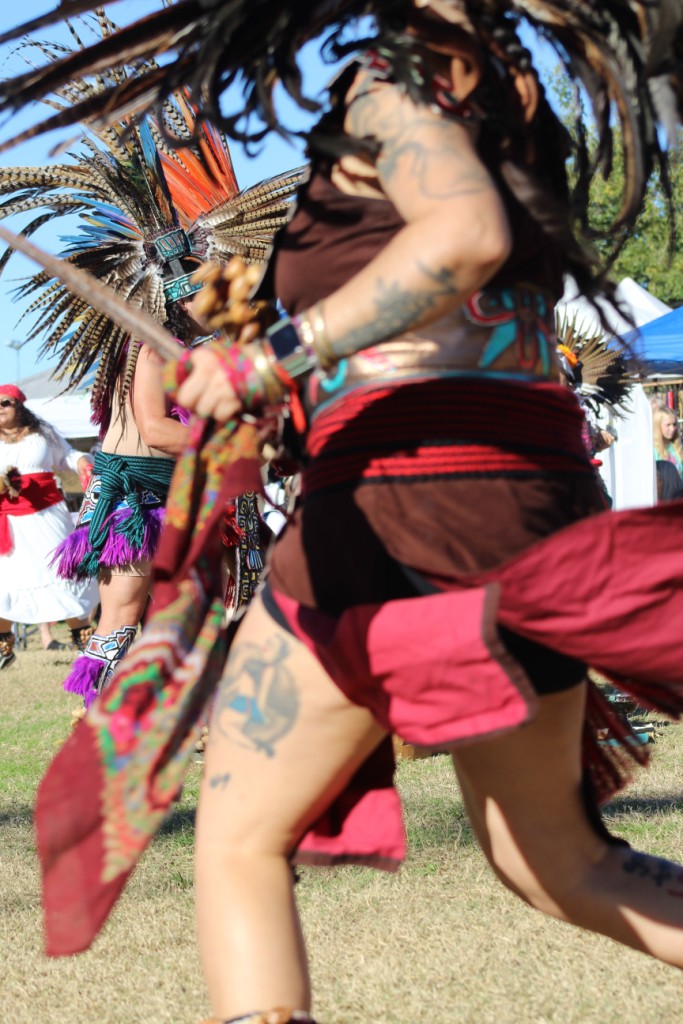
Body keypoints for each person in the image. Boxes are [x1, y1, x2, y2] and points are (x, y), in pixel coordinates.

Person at [2, 3, 683, 1023]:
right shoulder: (501, 91)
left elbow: (463, 238)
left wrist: (274, 356)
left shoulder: (399, 83)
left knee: (239, 843)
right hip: (521, 496)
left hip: (406, 498)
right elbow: (459, 326)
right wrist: (286, 392)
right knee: (558, 860)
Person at [0, 34, 302, 704]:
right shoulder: (152, 341)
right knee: (123, 617)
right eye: (217, 284)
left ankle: (196, 715)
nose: (232, 296)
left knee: (199, 612)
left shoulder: (208, 345)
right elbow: (155, 428)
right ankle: (97, 724)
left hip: (188, 494)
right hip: (138, 497)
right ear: (176, 288)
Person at [0, 383, 97, 670]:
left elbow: (66, 456)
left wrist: (81, 461)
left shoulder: (43, 434)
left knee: (62, 575)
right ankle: (4, 646)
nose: (0, 408)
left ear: (19, 405)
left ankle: (84, 644)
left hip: (47, 517)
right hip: (9, 523)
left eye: (5, 402)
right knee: (6, 581)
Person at [653, 406, 683, 479]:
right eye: (668, 425)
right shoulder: (652, 450)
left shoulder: (678, 447)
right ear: (658, 425)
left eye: (674, 424)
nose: (672, 429)